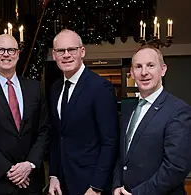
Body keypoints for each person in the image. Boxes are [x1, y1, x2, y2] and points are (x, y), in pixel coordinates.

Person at [0, 34, 50, 195]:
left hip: (31, 182)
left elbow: (44, 130)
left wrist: (30, 164)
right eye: (0, 50)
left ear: (18, 54)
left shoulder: (34, 88)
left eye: (11, 50)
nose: (6, 54)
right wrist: (9, 170)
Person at [113, 44, 191, 195]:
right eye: (138, 67)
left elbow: (176, 167)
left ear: (163, 70)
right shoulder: (129, 109)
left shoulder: (178, 110)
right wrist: (116, 185)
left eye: (150, 65)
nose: (144, 72)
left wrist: (137, 193)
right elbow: (122, 157)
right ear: (131, 73)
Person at [48, 29, 119, 195]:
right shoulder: (55, 88)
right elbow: (57, 136)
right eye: (60, 51)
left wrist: (96, 186)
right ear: (54, 55)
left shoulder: (100, 88)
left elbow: (110, 141)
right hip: (62, 184)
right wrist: (54, 174)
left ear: (82, 52)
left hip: (91, 184)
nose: (66, 55)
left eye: (71, 49)